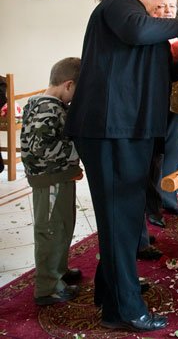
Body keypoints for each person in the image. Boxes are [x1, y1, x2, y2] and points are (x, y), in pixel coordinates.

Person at [65, 0, 178, 332]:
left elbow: (160, 71)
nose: (159, 10)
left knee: (120, 217)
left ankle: (111, 295)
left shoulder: (134, 22)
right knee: (120, 217)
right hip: (110, 129)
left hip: (124, 128)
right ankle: (126, 309)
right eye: (157, 1)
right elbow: (140, 31)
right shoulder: (119, 6)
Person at [20, 57, 83, 306]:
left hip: (59, 176)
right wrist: (78, 152)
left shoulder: (46, 103)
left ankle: (59, 270)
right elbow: (41, 147)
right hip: (49, 181)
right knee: (50, 231)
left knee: (63, 226)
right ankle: (47, 287)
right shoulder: (49, 108)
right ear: (68, 85)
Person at [150, 0, 178, 217]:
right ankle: (153, 205)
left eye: (172, 7)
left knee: (173, 151)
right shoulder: (149, 35)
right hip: (154, 103)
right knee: (154, 156)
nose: (167, 11)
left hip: (177, 101)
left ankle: (169, 198)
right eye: (162, 6)